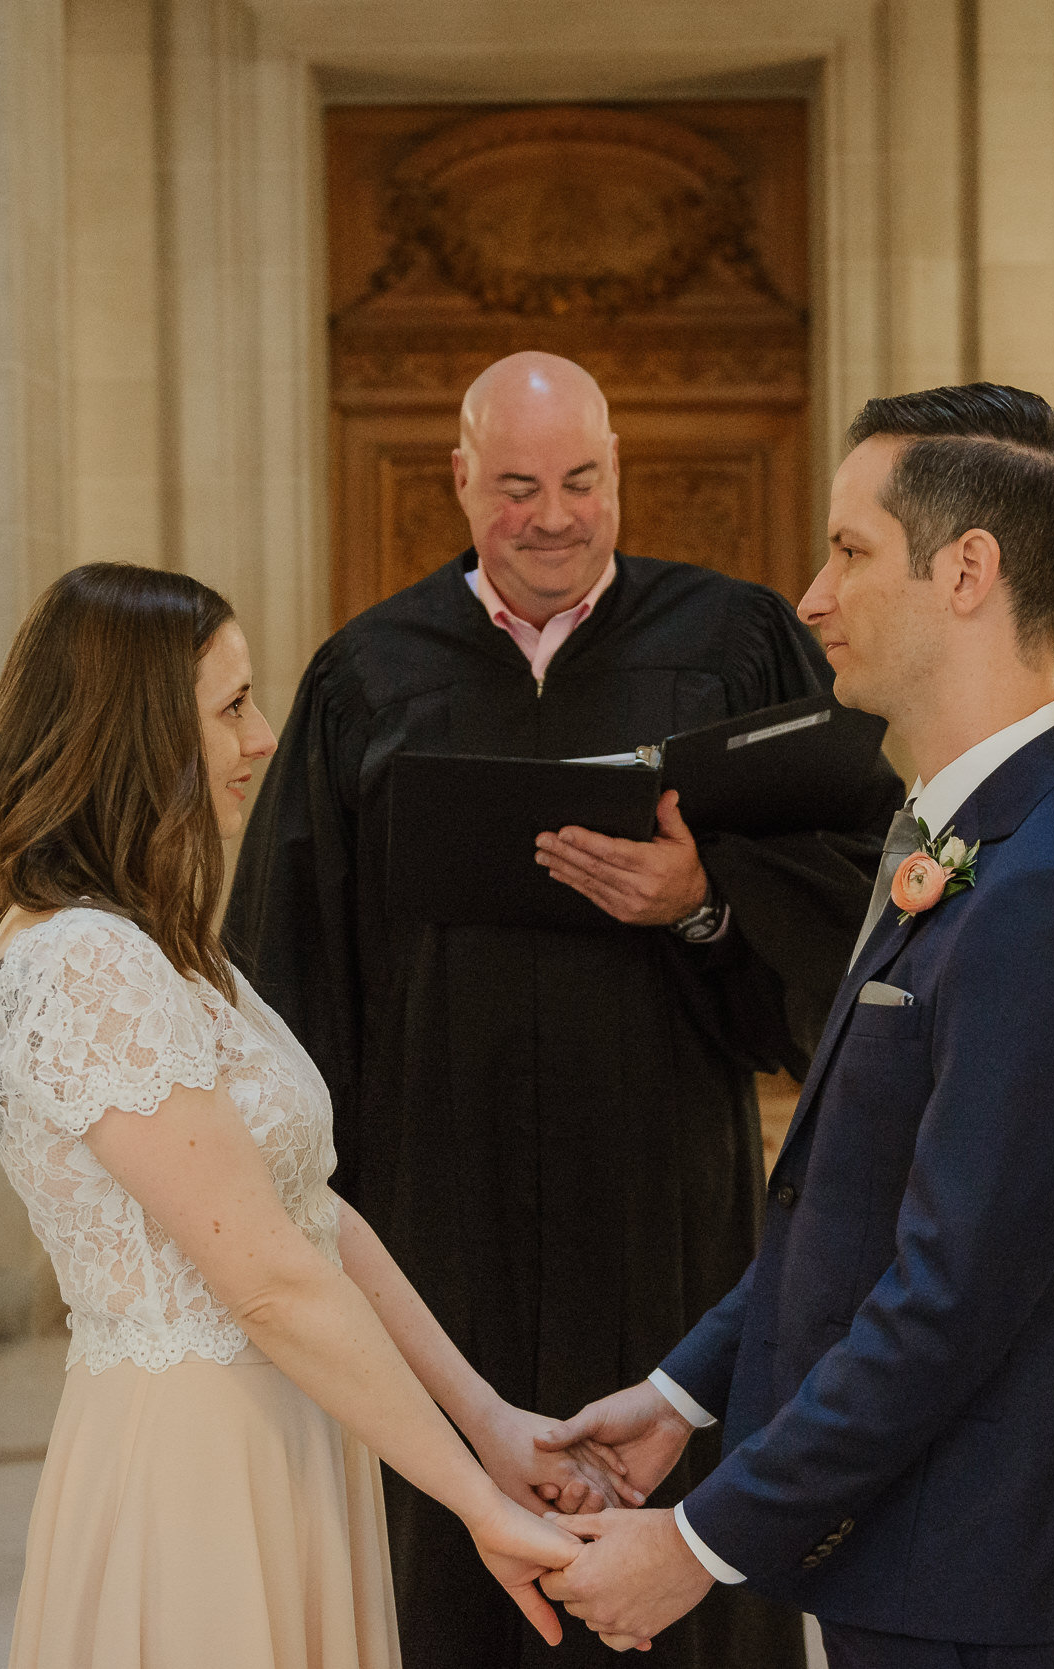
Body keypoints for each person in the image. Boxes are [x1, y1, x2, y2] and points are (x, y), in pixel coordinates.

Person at [226, 352, 902, 1668]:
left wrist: (706, 896)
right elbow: (290, 960)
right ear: (461, 481)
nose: (554, 517)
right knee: (455, 1554)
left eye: (583, 481)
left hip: (658, 1184)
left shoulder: (733, 643)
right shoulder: (364, 674)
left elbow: (842, 890)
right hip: (441, 1203)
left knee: (675, 1508)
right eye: (519, 486)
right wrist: (309, 1207)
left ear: (619, 474)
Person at [536, 385, 1054, 1668]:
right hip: (910, 1551)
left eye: (847, 550)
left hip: (988, 1581)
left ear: (967, 571)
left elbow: (947, 1298)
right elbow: (845, 1198)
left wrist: (697, 1545)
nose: (811, 597)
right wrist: (682, 1396)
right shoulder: (952, 826)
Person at [0, 563, 611, 1668]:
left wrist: (489, 1423)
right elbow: (265, 1277)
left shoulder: (167, 946)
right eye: (230, 708)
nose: (262, 738)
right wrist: (473, 1505)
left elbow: (314, 1218)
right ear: (137, 734)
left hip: (293, 1426)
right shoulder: (82, 962)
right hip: (195, 1463)